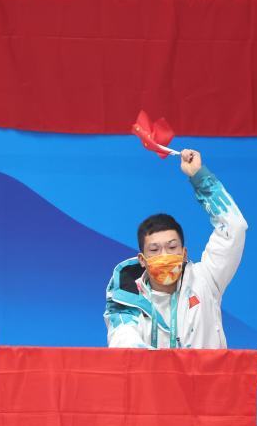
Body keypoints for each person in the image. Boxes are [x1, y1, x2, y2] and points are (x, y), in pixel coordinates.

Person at [104, 149, 247, 349]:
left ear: (184, 253)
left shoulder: (205, 280)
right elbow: (126, 345)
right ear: (142, 259)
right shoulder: (126, 300)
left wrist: (200, 177)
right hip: (152, 371)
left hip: (208, 372)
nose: (164, 256)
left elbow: (234, 228)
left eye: (172, 247)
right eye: (154, 250)